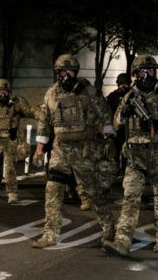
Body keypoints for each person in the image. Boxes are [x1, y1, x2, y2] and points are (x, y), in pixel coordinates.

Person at [102, 54, 158, 256]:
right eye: (143, 71)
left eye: (151, 71)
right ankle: (122, 240)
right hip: (135, 155)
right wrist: (124, 113)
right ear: (135, 74)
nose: (147, 75)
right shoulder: (130, 96)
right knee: (130, 198)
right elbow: (115, 124)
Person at [31, 53, 117, 249]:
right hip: (60, 150)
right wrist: (39, 150)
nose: (65, 75)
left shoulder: (88, 91)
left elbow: (104, 114)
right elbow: (44, 122)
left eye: (69, 71)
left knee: (92, 192)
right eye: (62, 71)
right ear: (57, 72)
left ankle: (109, 226)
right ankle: (50, 234)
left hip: (84, 149)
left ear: (75, 72)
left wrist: (109, 138)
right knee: (52, 189)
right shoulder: (51, 94)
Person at [105, 73, 132, 176]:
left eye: (126, 84)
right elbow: (107, 114)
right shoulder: (112, 97)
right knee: (114, 153)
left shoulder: (133, 96)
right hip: (116, 130)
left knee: (128, 154)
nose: (124, 87)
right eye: (122, 84)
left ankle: (126, 172)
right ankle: (116, 172)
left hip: (129, 130)